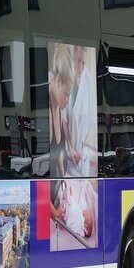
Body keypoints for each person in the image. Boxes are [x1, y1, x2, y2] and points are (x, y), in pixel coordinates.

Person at [63, 45, 95, 176]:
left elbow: (92, 118)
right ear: (72, 59)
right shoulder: (65, 78)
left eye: (83, 62)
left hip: (83, 152)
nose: (80, 66)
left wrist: (84, 148)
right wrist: (70, 147)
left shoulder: (87, 78)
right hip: (68, 150)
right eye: (78, 61)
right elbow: (63, 117)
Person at [48, 43, 76, 177]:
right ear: (58, 80)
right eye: (66, 94)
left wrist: (65, 179)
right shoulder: (45, 108)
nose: (67, 100)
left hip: (58, 191)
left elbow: (58, 156)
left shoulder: (59, 108)